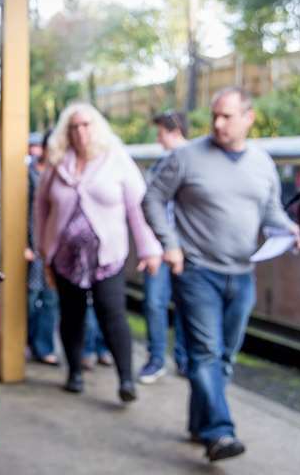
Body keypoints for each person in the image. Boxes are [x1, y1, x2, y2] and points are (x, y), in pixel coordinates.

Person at [143, 87, 300, 461]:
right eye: (214, 115)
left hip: (243, 274)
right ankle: (220, 432)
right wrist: (169, 243)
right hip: (198, 270)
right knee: (205, 353)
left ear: (248, 118)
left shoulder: (262, 163)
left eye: (227, 116)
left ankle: (200, 423)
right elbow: (151, 197)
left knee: (225, 357)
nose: (217, 123)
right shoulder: (186, 157)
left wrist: (288, 230)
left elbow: (270, 212)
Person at [35, 103, 162, 403]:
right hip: (65, 257)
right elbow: (41, 208)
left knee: (111, 312)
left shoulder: (115, 159)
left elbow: (137, 208)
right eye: (74, 127)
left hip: (107, 256)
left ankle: (126, 380)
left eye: (86, 125)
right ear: (66, 132)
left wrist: (149, 249)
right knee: (71, 315)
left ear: (97, 127)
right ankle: (74, 373)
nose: (81, 132)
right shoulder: (56, 163)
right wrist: (43, 248)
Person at [139, 110, 189, 384]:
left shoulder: (194, 161)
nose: (158, 139)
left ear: (175, 130)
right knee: (155, 304)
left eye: (160, 133)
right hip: (159, 247)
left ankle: (183, 359)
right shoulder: (159, 166)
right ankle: (157, 358)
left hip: (187, 248)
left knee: (185, 305)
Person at [25, 131, 58, 365]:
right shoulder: (30, 174)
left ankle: (44, 346)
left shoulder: (62, 174)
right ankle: (28, 341)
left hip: (55, 248)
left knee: (50, 299)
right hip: (34, 245)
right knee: (31, 297)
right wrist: (25, 244)